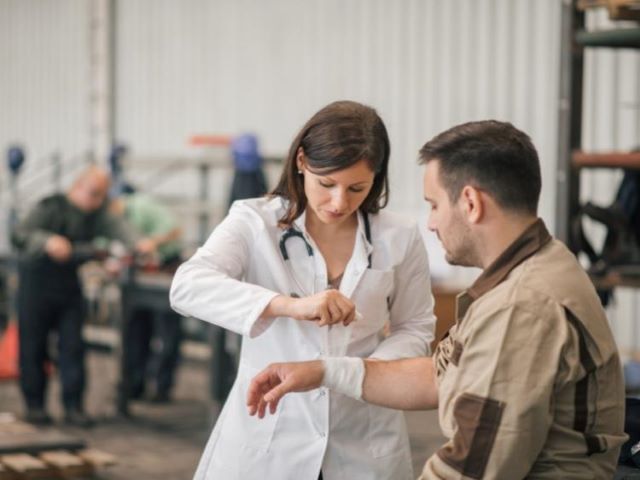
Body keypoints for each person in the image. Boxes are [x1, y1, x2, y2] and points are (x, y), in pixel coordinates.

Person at [247, 120, 627, 479]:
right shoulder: (539, 263)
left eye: (433, 205)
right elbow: (442, 376)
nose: (430, 223)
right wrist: (322, 371)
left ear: (471, 203)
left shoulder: (521, 306)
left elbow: (473, 466)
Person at [170, 100, 436, 479]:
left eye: (357, 188)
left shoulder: (399, 235)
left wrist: (358, 373)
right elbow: (187, 286)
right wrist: (285, 306)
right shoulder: (255, 221)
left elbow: (416, 327)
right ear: (300, 161)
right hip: (271, 435)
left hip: (364, 432)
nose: (339, 202)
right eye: (326, 184)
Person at [11, 166, 136, 427]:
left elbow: (122, 231)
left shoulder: (98, 214)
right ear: (77, 187)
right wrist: (47, 242)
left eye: (102, 195)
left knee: (73, 348)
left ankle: (73, 407)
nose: (97, 201)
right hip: (36, 288)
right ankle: (35, 407)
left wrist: (136, 245)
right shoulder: (50, 207)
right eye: (93, 194)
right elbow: (20, 235)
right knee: (33, 348)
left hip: (68, 289)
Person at [110, 188, 183, 402]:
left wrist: (153, 242)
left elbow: (175, 229)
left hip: (166, 268)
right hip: (138, 273)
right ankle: (134, 385)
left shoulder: (142, 206)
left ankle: (162, 387)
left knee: (167, 334)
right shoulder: (111, 221)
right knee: (135, 332)